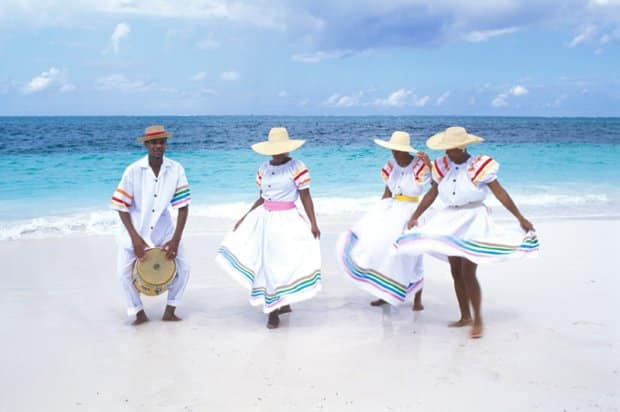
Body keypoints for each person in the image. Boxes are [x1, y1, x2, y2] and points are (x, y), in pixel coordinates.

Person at [395, 126, 539, 339]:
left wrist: (520, 217)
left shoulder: (480, 165)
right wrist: (416, 215)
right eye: (444, 149)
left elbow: (500, 192)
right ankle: (465, 317)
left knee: (468, 271)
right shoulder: (442, 166)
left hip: (473, 219)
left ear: (461, 148)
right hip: (450, 219)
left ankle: (478, 319)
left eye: (450, 149)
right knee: (455, 270)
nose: (446, 153)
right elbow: (432, 193)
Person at [216, 127, 321, 329]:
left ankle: (283, 301)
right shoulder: (264, 168)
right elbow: (262, 198)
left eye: (281, 148)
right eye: (274, 148)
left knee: (283, 261)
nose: (277, 151)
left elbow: (306, 196)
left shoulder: (296, 167)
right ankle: (272, 311)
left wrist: (313, 223)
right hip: (264, 219)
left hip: (287, 220)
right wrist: (245, 217)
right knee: (268, 263)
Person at [337, 131, 431, 310]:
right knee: (383, 249)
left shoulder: (419, 167)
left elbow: (436, 185)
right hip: (393, 210)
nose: (394, 153)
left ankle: (417, 298)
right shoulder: (390, 166)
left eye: (398, 150)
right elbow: (387, 192)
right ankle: (384, 293)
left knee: (413, 254)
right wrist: (377, 213)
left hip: (412, 212)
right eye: (393, 149)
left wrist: (429, 165)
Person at [111, 125, 191, 325]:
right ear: (146, 145)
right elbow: (121, 207)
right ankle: (139, 313)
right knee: (122, 273)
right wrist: (135, 239)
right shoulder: (133, 171)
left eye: (161, 142)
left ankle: (170, 310)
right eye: (153, 142)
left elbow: (183, 207)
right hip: (135, 229)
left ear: (165, 144)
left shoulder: (176, 169)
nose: (158, 146)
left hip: (164, 229)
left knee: (185, 268)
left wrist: (175, 240)